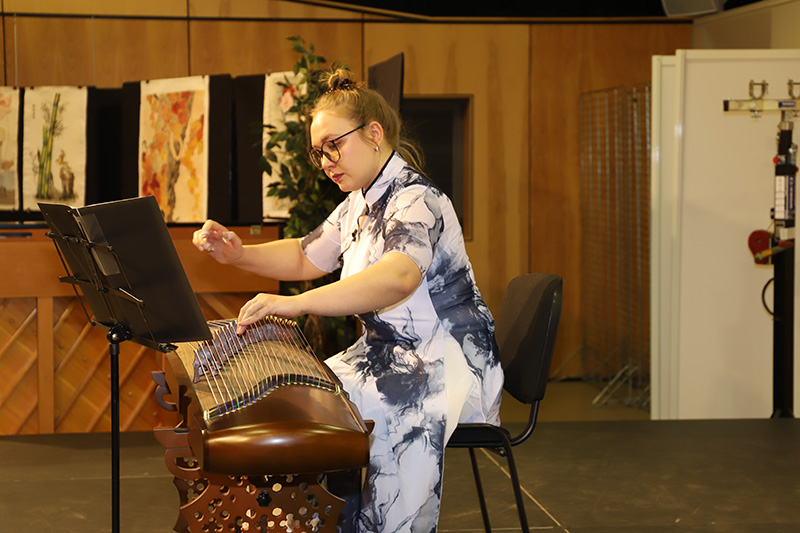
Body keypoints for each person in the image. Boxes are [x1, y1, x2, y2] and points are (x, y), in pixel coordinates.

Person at [192, 69, 503, 532]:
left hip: (440, 362)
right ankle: (322, 516)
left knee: (330, 418)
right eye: (319, 152)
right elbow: (304, 255)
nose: (325, 161)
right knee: (305, 399)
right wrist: (238, 255)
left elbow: (398, 277)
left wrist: (298, 304)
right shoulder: (359, 201)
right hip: (385, 355)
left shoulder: (416, 198)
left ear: (373, 134)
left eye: (333, 145)